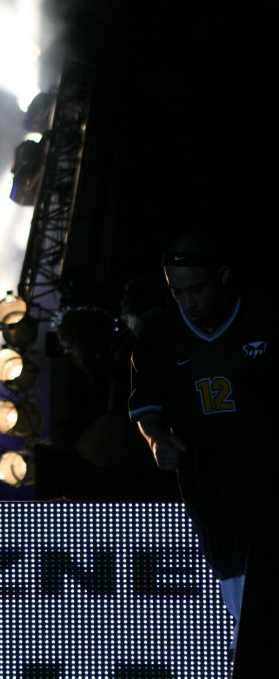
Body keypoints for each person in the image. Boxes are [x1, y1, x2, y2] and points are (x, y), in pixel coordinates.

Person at [128, 224, 279, 666]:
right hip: (211, 491)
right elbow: (147, 407)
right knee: (238, 600)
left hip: (269, 480)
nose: (188, 303)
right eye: (177, 293)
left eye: (196, 290)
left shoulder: (265, 319)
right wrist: (156, 440)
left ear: (222, 276)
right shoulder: (160, 337)